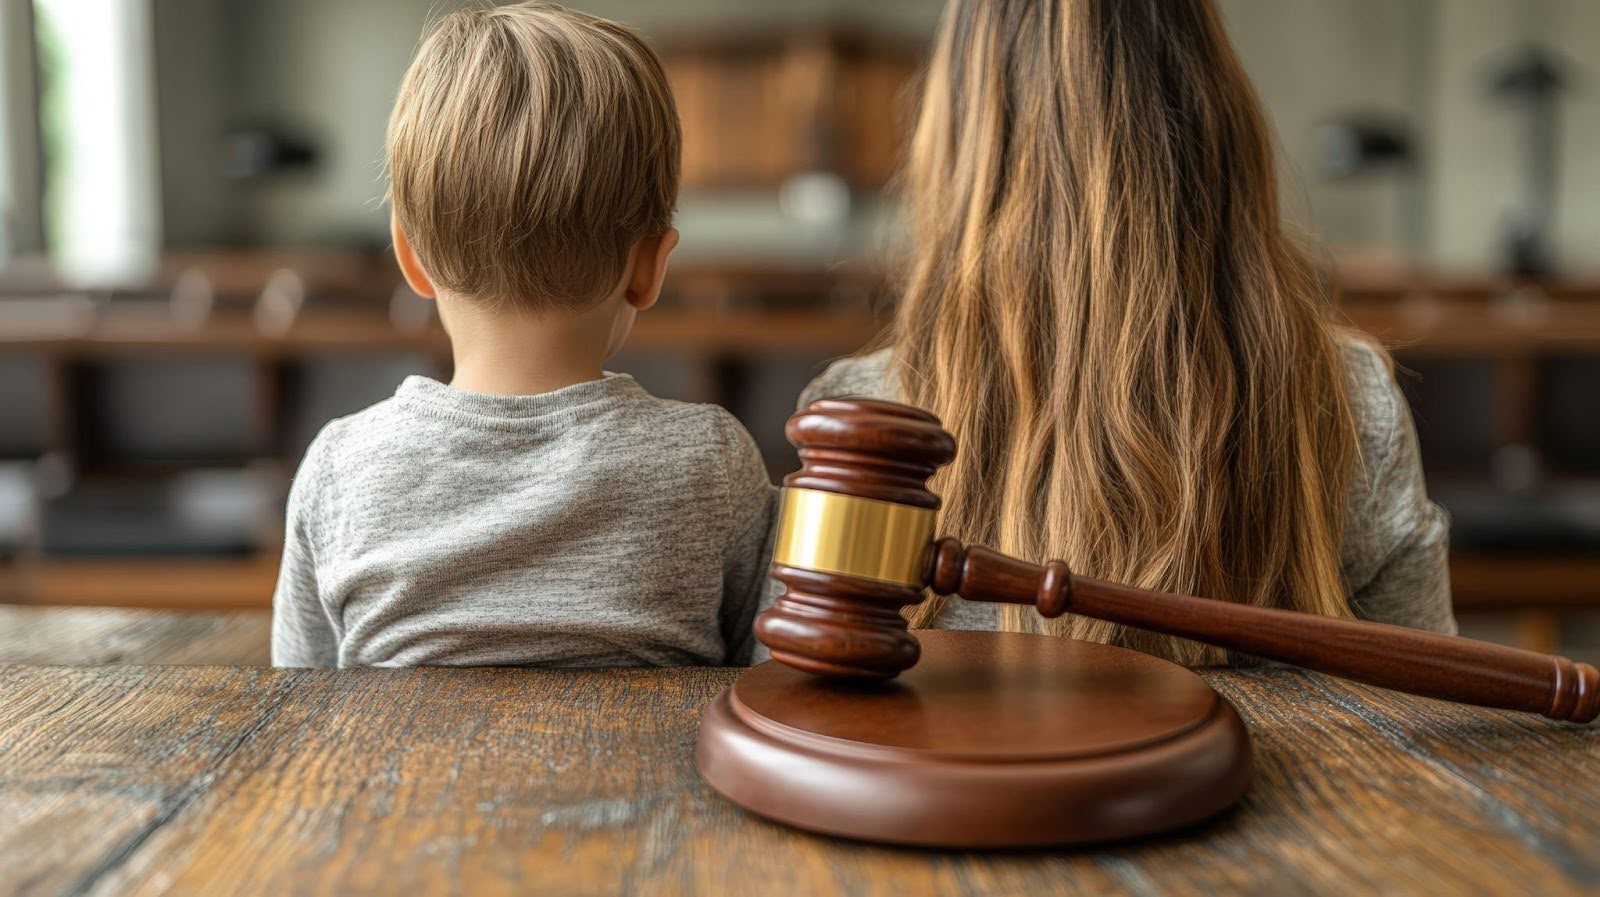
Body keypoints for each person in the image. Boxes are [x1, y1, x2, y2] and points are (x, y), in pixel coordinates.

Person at [799, 0, 1454, 664]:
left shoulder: (851, 422)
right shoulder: (1352, 403)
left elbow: (804, 699)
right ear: (1214, 111)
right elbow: (1427, 710)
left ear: (957, 134)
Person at [271, 2, 774, 668]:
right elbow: (769, 682)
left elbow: (299, 695)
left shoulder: (340, 466)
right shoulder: (712, 461)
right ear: (650, 267)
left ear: (410, 257)